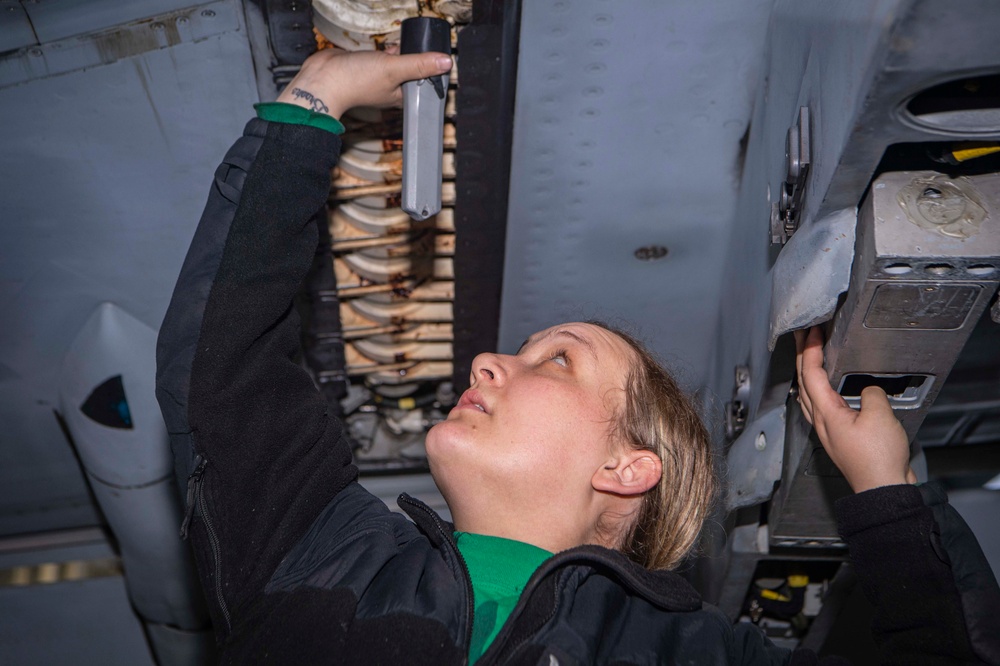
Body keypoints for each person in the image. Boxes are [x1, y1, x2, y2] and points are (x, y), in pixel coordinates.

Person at [155, 49, 1000, 664]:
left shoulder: (691, 655)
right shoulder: (328, 554)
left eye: (556, 359)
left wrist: (890, 497)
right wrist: (314, 101)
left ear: (629, 467)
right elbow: (222, 370)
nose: (488, 362)